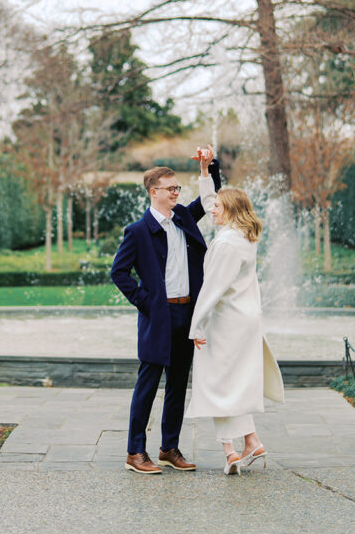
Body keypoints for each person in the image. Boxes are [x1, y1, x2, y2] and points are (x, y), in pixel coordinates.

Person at [110, 147, 222, 474]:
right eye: (171, 188)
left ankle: (168, 448)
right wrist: (146, 302)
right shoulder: (138, 231)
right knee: (147, 385)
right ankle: (135, 452)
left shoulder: (184, 217)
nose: (176, 192)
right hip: (157, 318)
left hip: (187, 315)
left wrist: (208, 167)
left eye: (178, 188)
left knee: (177, 385)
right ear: (153, 192)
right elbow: (119, 273)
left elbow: (211, 198)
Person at [185, 173, 285, 476]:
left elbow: (212, 289)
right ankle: (248, 443)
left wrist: (196, 326)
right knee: (230, 385)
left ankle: (231, 450)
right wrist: (205, 175)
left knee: (217, 385)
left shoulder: (226, 244)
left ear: (230, 210)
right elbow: (208, 201)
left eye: (218, 207)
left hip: (227, 323)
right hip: (244, 320)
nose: (212, 209)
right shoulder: (242, 236)